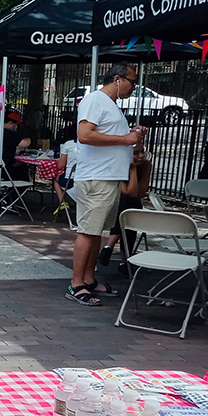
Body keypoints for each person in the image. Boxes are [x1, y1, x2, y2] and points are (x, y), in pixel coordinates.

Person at [66, 64, 144, 306]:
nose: (134, 87)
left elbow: (109, 139)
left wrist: (130, 144)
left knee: (96, 231)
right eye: (133, 82)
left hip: (108, 178)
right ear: (118, 79)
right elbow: (85, 135)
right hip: (96, 178)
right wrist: (125, 139)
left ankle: (89, 279)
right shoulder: (95, 100)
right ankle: (77, 284)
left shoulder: (110, 105)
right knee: (88, 231)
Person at [99, 142, 153, 269]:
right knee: (129, 206)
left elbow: (139, 193)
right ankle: (125, 261)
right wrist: (132, 169)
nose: (141, 156)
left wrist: (133, 169)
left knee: (130, 206)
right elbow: (127, 192)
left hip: (126, 208)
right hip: (109, 202)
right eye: (135, 153)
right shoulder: (116, 165)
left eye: (143, 151)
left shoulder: (146, 165)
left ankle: (109, 246)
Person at [0, 111, 31, 181]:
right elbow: (25, 144)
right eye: (15, 125)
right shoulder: (8, 135)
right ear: (11, 123)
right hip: (5, 171)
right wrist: (29, 138)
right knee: (24, 172)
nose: (15, 127)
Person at [53, 124, 78, 213]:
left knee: (56, 179)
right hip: (87, 178)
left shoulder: (68, 144)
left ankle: (62, 202)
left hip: (70, 180)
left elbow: (61, 165)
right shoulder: (91, 145)